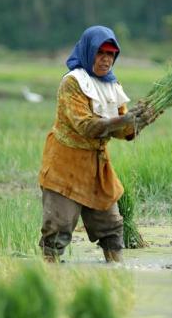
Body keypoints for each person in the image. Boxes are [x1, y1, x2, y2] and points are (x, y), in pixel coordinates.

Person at [38, 25, 158, 263]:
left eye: (111, 54)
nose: (106, 60)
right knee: (57, 231)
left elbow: (121, 131)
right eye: (100, 53)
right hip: (65, 167)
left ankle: (116, 276)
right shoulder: (72, 83)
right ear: (89, 52)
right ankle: (48, 278)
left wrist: (140, 122)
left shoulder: (112, 86)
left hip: (96, 169)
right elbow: (86, 126)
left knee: (112, 230)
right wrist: (123, 119)